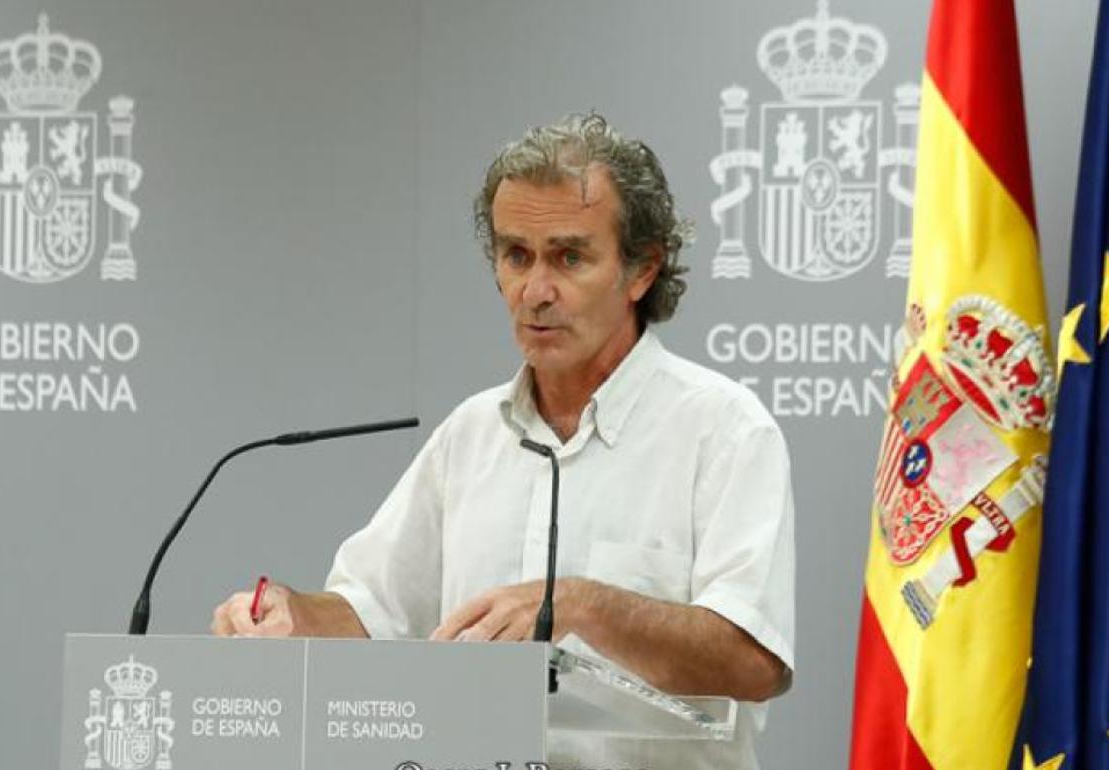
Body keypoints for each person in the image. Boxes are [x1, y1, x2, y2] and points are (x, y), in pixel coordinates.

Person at [212, 113, 795, 769]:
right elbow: (371, 610)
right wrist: (293, 616)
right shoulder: (472, 433)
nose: (535, 292)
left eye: (569, 257)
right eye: (517, 255)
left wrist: (581, 605)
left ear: (641, 271)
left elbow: (754, 661)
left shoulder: (723, 430)